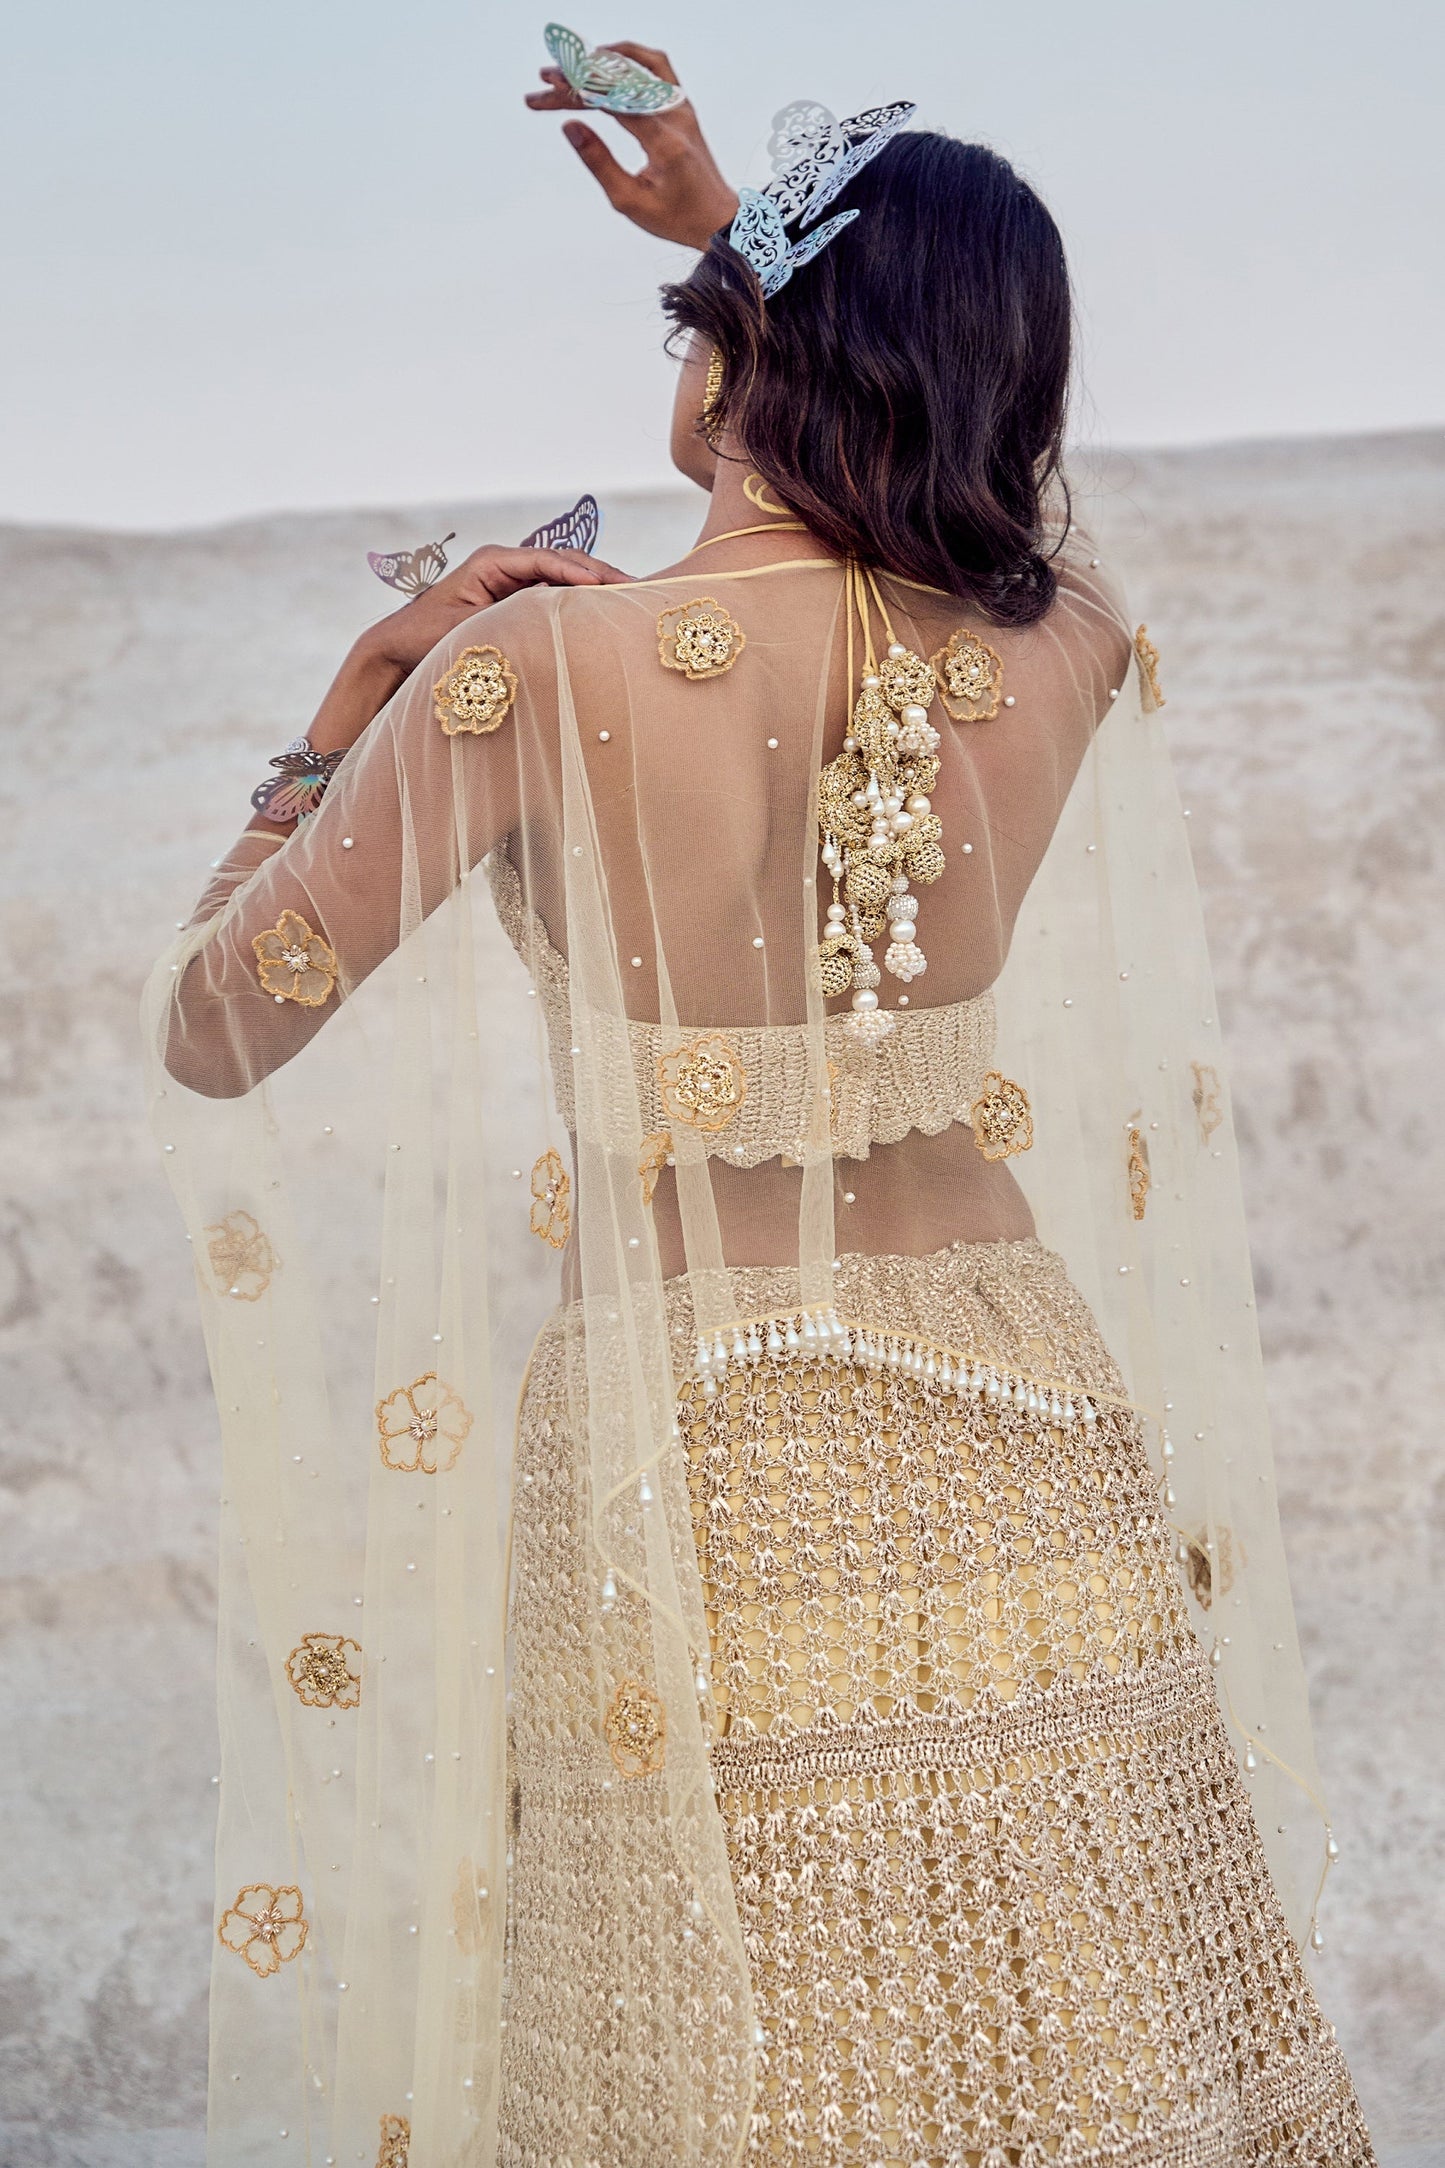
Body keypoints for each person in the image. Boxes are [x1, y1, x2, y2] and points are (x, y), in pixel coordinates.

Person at [144, 35, 1375, 2167]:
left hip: (688, 1477)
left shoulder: (531, 671)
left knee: (737, 2078)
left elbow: (209, 1029)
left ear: (744, 355)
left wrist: (349, 702)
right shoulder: (1063, 643)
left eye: (700, 323)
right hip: (1024, 1438)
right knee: (1064, 2067)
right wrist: (766, 254)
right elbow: (1014, 520)